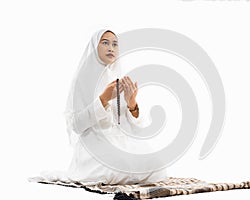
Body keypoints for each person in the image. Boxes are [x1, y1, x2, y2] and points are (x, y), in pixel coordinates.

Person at [30, 29, 167, 185]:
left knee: (156, 163)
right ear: (95, 47)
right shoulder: (82, 80)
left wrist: (132, 103)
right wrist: (103, 99)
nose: (111, 48)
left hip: (120, 142)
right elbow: (76, 125)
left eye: (115, 44)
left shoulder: (118, 77)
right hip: (94, 144)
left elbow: (132, 126)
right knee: (118, 166)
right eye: (105, 43)